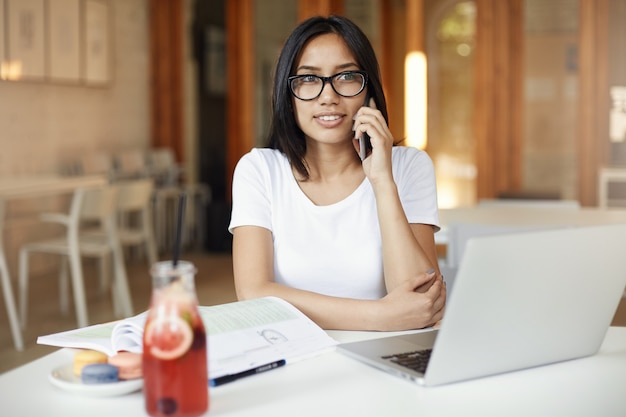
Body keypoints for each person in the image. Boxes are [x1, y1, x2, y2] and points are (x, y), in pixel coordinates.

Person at [228, 15, 445, 331]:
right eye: (309, 79)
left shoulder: (409, 166)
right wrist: (380, 316)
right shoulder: (259, 170)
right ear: (288, 97)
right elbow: (253, 293)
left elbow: (421, 300)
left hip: (384, 357)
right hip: (292, 354)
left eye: (346, 76)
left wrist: (382, 181)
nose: (328, 96)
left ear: (369, 90)